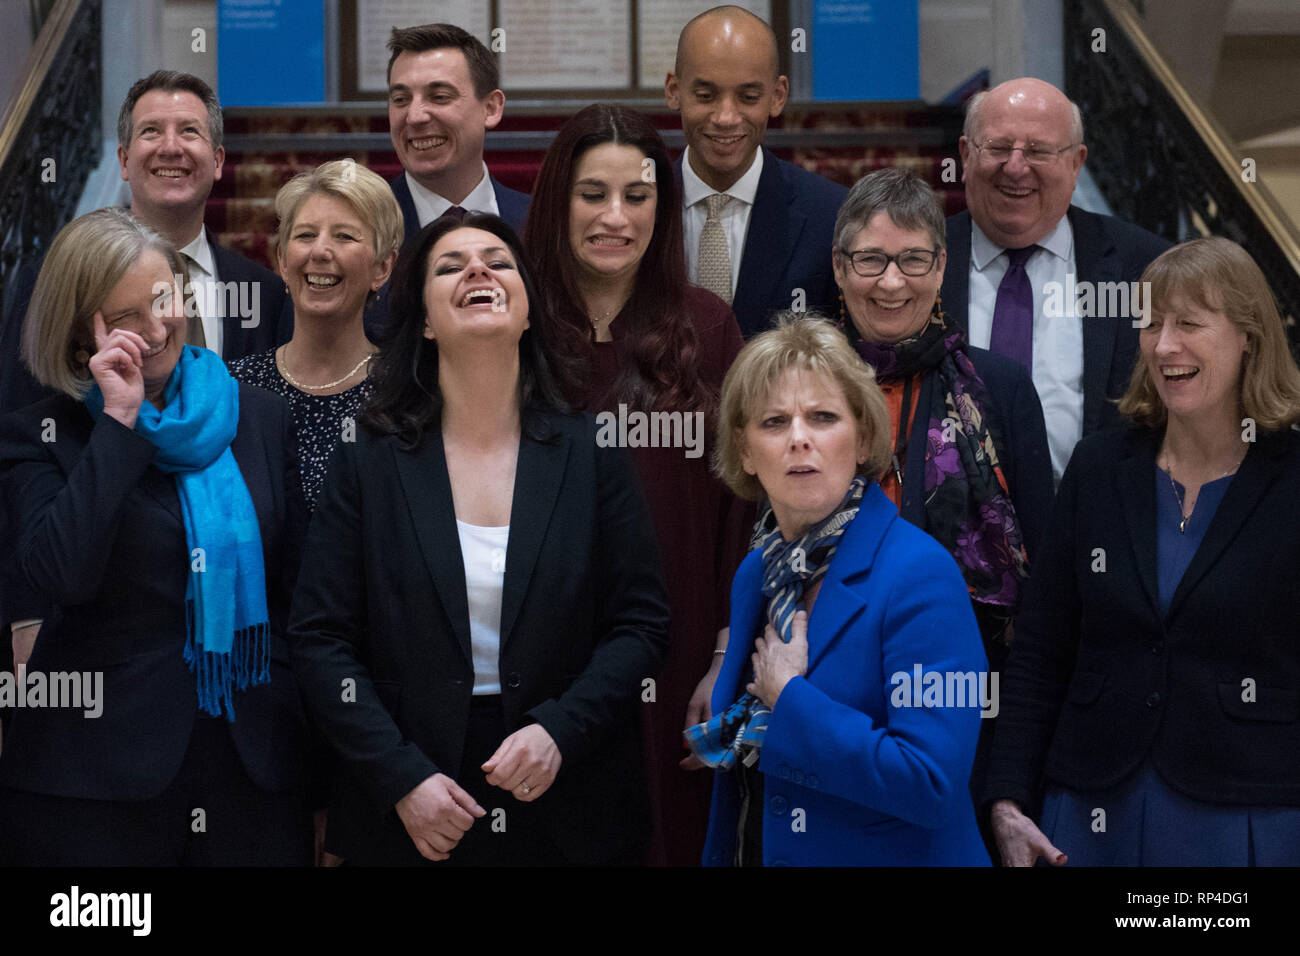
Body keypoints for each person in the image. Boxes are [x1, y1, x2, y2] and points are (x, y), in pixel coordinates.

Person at [288, 213, 669, 866]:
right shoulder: (369, 457)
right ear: (428, 322)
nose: (477, 271)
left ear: (526, 312)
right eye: (449, 265)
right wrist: (398, 775)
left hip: (567, 788)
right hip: (414, 802)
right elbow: (321, 639)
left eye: (498, 260)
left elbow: (641, 624)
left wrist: (559, 729)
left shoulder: (591, 448)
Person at [0, 208, 312, 865]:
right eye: (126, 317)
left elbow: (303, 603)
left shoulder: (256, 415)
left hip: (252, 769)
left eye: (164, 299)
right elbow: (63, 574)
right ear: (79, 334)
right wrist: (119, 420)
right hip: (97, 786)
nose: (157, 326)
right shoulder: (41, 435)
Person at [986, 238, 1300, 866]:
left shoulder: (1293, 478)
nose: (1163, 346)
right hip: (1090, 813)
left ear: (1248, 337)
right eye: (1151, 323)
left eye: (1188, 323)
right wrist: (1008, 800)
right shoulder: (1101, 465)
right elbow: (1043, 649)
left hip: (1247, 817)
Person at [523, 102, 750, 866]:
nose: (615, 217)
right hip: (539, 664)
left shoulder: (709, 328)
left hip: (681, 656)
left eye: (638, 195)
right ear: (558, 200)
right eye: (593, 194)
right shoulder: (514, 329)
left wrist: (727, 659)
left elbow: (740, 514)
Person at [689, 313, 989, 866]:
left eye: (823, 417)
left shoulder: (921, 574)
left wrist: (792, 700)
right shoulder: (756, 572)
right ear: (746, 450)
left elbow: (931, 783)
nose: (799, 438)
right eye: (774, 422)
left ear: (864, 437)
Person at [831, 168, 1053, 859]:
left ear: (942, 265)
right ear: (840, 269)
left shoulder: (1001, 390)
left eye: (913, 259)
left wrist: (1013, 776)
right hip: (825, 705)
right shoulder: (801, 383)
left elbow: (1043, 594)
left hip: (966, 709)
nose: (891, 282)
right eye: (871, 259)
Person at [942, 77, 1171, 480]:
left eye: (1039, 151)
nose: (1015, 167)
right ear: (965, 154)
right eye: (997, 147)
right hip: (948, 534)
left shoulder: (1144, 268)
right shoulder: (917, 264)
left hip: (1095, 529)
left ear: (1076, 163)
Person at [229, 160, 401, 510]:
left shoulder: (406, 392)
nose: (320, 251)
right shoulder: (234, 387)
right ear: (281, 260)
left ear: (382, 268)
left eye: (345, 236)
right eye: (306, 235)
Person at [665, 5, 845, 339]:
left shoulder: (830, 216)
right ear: (674, 90)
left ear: (778, 96)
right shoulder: (639, 207)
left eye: (748, 97)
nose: (725, 117)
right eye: (705, 95)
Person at [386, 23, 530, 246]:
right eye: (400, 100)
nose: (414, 117)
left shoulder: (540, 223)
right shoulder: (360, 226)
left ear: (491, 108)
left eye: (440, 96)